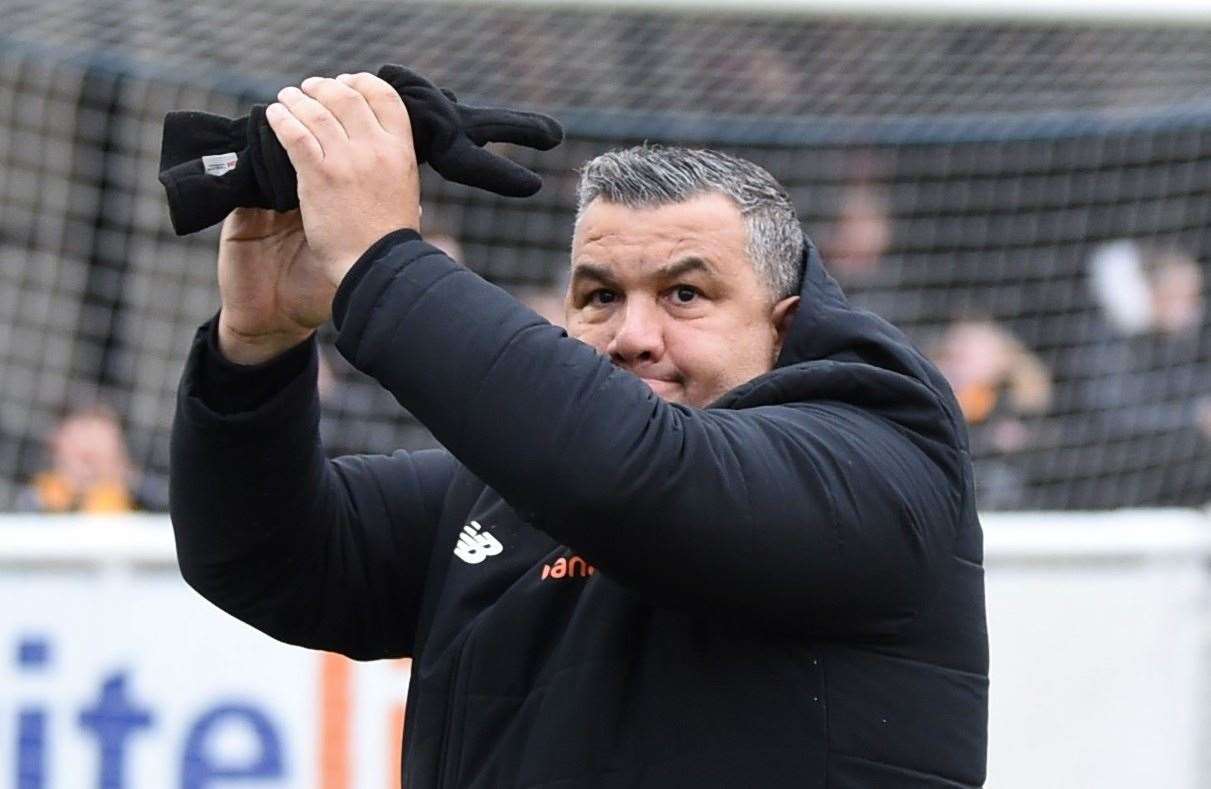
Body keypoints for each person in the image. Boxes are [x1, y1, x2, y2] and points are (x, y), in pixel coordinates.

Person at [170, 72, 988, 787]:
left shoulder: (880, 450)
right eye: (598, 295)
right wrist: (257, 347)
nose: (631, 334)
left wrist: (381, 257)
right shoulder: (499, 499)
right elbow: (262, 555)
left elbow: (637, 472)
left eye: (684, 294)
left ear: (784, 325)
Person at [18, 403, 162, 513]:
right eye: (79, 457)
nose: (87, 468)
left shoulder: (143, 501)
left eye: (97, 457)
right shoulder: (37, 498)